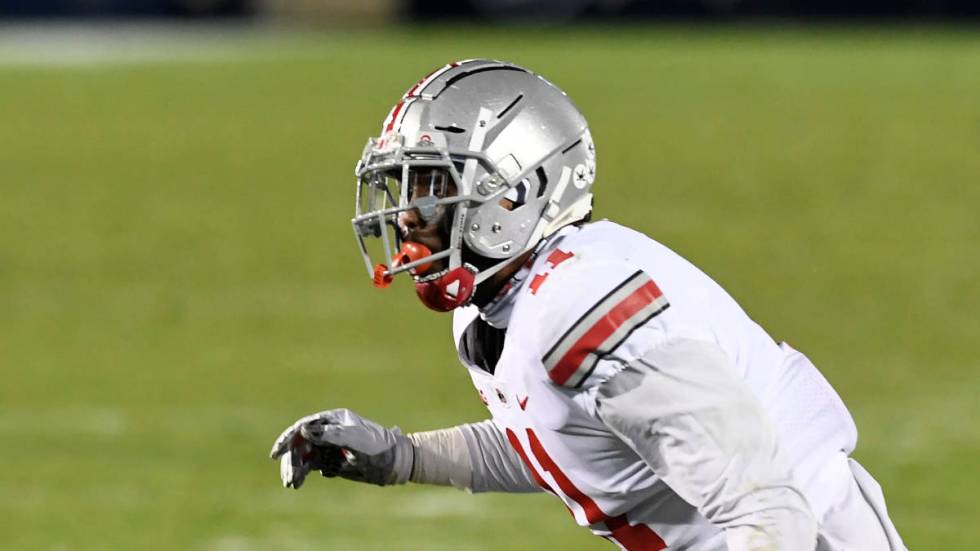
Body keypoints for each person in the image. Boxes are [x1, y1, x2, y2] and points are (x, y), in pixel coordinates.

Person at [269, 59, 906, 550]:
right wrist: (405, 456)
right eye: (403, 187)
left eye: (434, 186)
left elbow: (768, 506)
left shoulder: (579, 307)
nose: (408, 216)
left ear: (518, 192)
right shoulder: (505, 304)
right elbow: (564, 438)